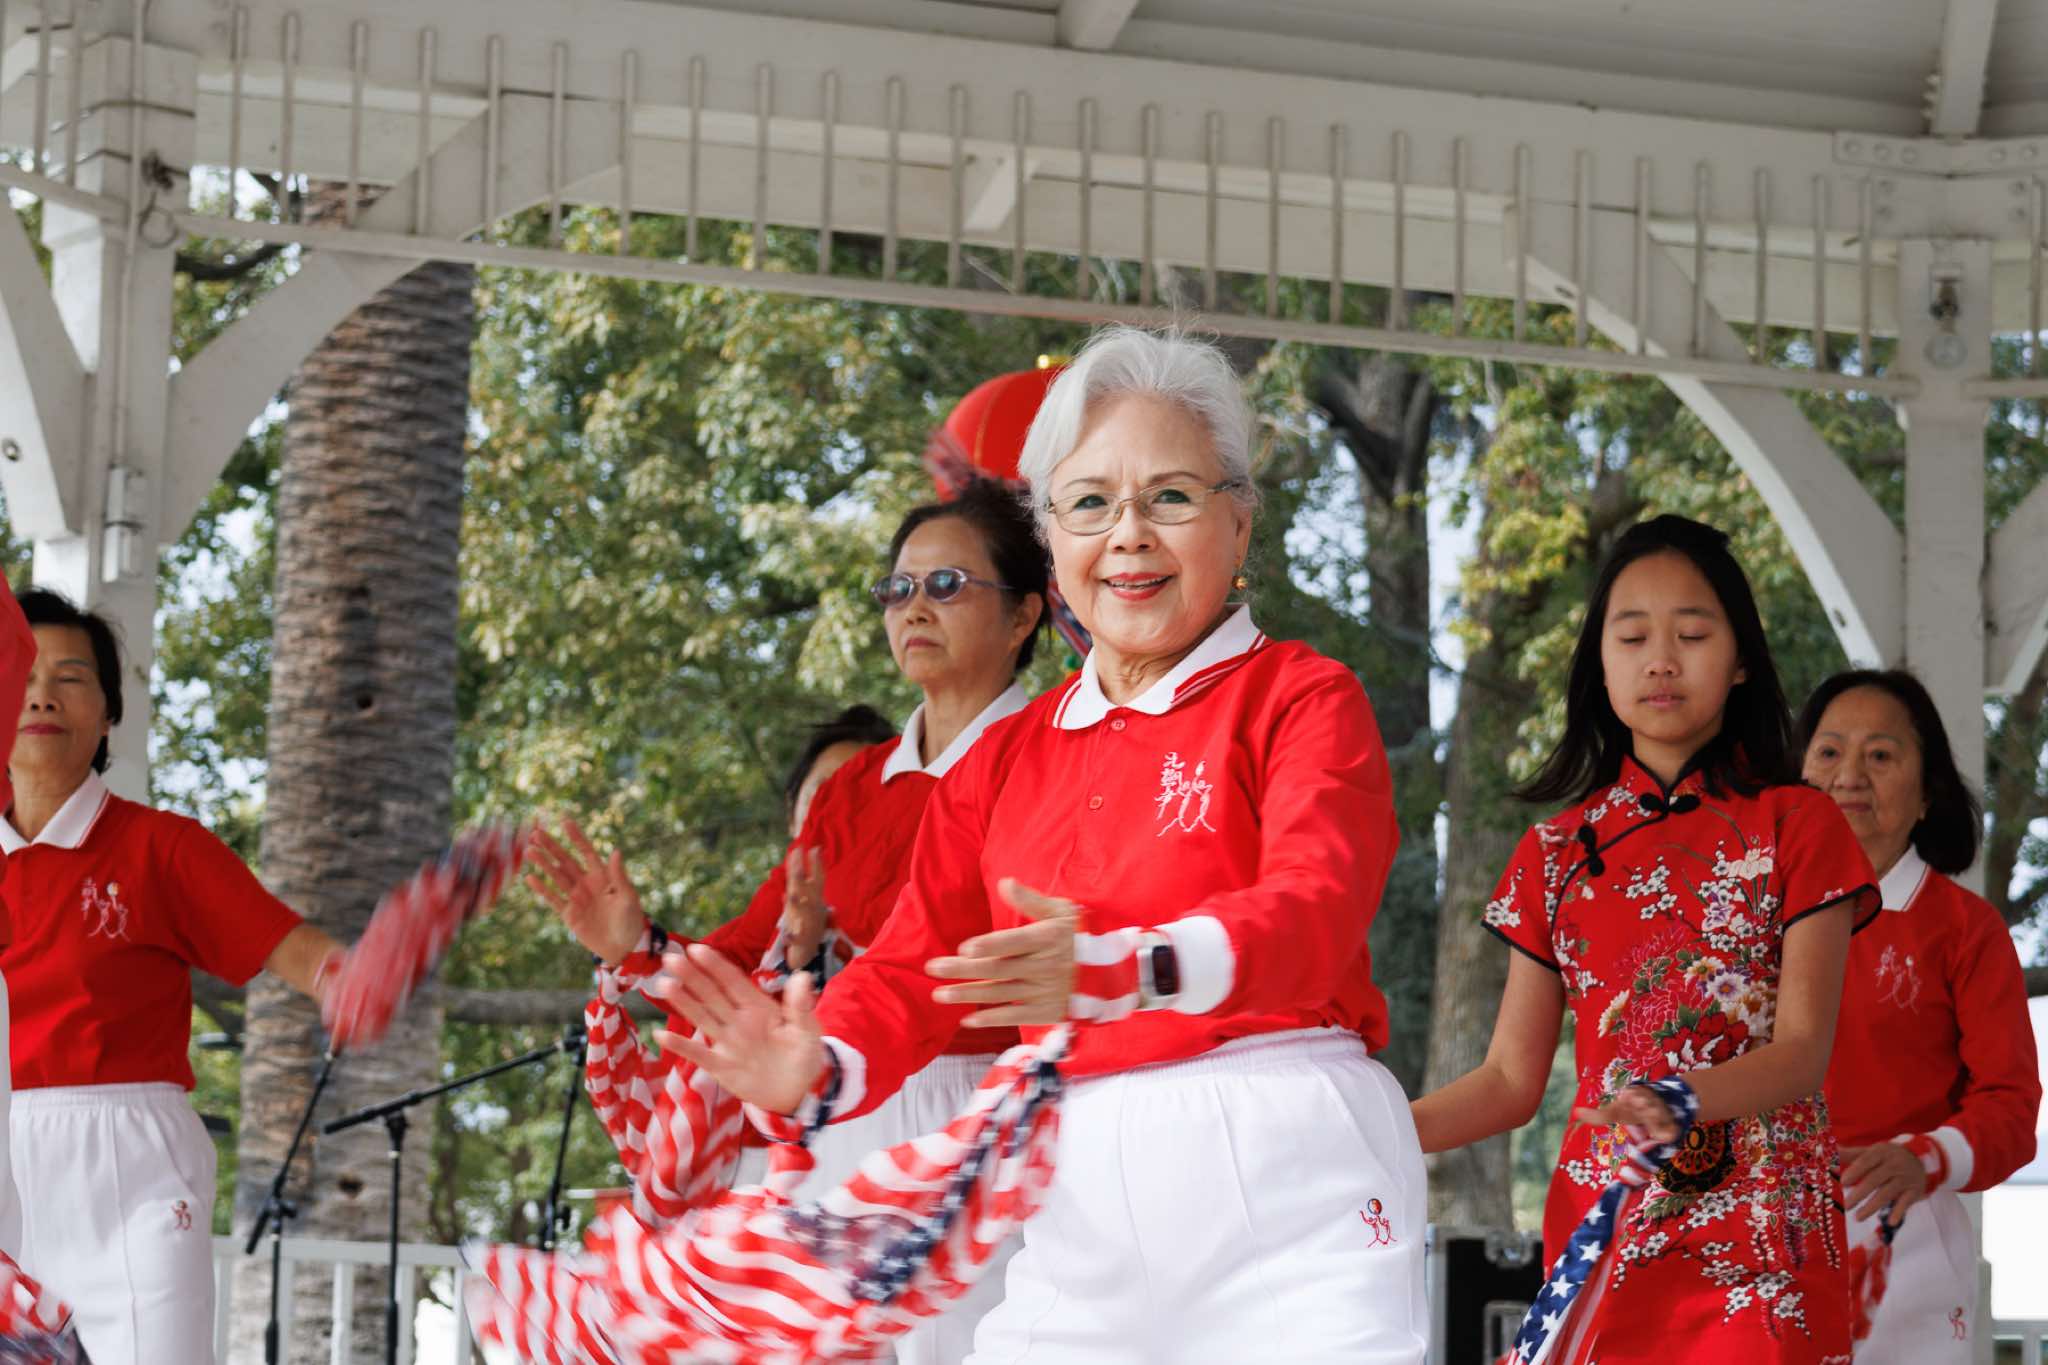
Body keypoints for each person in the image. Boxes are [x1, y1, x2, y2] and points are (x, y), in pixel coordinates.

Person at [649, 325, 1424, 1364]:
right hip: (1075, 1173)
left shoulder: (1299, 696)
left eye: (1170, 497)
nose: (1128, 535)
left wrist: (1120, 968)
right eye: (1089, 503)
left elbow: (1314, 910)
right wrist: (819, 1062)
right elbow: (915, 965)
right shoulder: (1005, 759)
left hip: (1286, 1156)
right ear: (1052, 542)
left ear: (1238, 523)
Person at [525, 478, 1048, 1365]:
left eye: (947, 584)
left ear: (1024, 613)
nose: (914, 607)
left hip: (981, 1097)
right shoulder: (854, 787)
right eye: (898, 588)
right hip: (844, 1096)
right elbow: (751, 947)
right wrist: (639, 949)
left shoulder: (1052, 750)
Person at [1411, 515, 1878, 1364]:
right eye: (1632, 637)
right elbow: (1509, 1080)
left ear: (1741, 660)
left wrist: (1680, 1097)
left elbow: (1802, 1052)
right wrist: (1377, 1129)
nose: (1661, 660)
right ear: (1600, 662)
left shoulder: (1800, 824)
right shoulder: (1553, 854)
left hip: (1761, 1238)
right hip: (1608, 1234)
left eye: (1692, 635)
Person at [0, 587, 348, 1365]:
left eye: (71, 677)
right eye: (21, 678)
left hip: (130, 1168)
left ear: (109, 715)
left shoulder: (162, 847)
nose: (41, 696)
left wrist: (348, 978)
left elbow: (295, 948)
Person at [1801, 669, 2041, 1361]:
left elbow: (2010, 1109)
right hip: (1757, 1243)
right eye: (1828, 751)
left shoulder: (1965, 929)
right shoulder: (1751, 919)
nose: (1849, 775)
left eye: (1880, 754)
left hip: (1903, 1255)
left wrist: (1925, 1157)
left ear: (1928, 791)